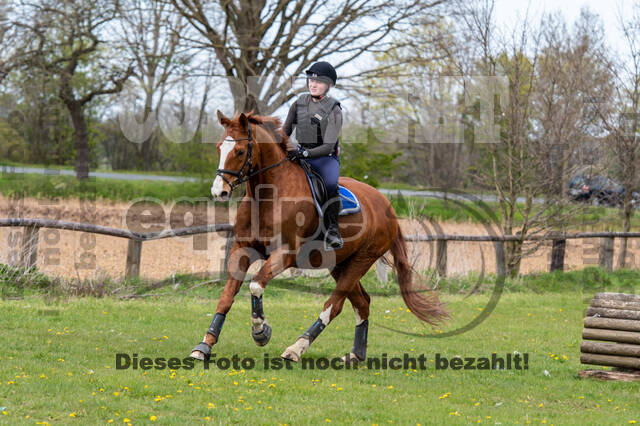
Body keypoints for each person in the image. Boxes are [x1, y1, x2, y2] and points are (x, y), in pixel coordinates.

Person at [284, 61, 343, 250]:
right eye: (311, 80)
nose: (313, 84)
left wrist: (304, 153)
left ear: (329, 85)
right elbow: (284, 132)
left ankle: (332, 229)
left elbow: (328, 146)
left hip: (324, 158)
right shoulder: (299, 103)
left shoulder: (334, 110)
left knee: (331, 184)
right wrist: (285, 148)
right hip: (299, 153)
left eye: (318, 82)